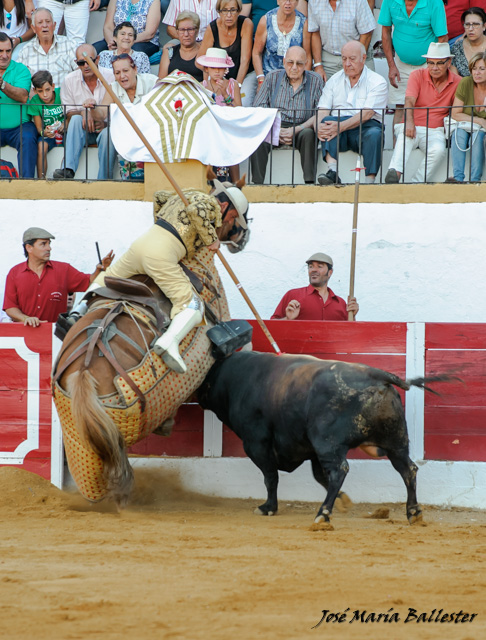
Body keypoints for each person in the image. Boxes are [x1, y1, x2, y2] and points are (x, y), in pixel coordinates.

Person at [71, 182, 249, 373]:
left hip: (141, 244)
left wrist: (163, 223)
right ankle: (169, 342)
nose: (229, 221)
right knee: (193, 306)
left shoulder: (188, 192)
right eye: (231, 216)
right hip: (161, 253)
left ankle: (78, 311)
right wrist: (211, 238)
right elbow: (197, 211)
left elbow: (160, 196)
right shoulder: (208, 202)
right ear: (224, 206)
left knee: (108, 276)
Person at [3, 226, 114, 326]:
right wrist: (26, 318)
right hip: (24, 335)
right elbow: (10, 307)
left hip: (56, 335)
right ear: (29, 248)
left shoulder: (64, 270)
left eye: (49, 244)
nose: (49, 248)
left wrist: (100, 270)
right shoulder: (15, 273)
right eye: (43, 244)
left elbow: (89, 282)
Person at [385, 42, 461, 184]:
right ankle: (394, 175)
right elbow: (409, 101)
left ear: (449, 62)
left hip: (436, 129)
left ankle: (416, 183)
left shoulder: (458, 81)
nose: (434, 67)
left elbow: (457, 109)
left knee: (438, 150)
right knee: (404, 139)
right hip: (412, 123)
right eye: (430, 63)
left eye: (439, 63)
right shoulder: (417, 75)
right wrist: (409, 122)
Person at [316, 40, 388, 185]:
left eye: (352, 59)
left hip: (365, 126)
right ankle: (332, 171)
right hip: (339, 130)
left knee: (375, 134)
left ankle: (369, 181)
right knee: (326, 121)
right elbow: (322, 110)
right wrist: (319, 127)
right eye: (344, 59)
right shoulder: (334, 80)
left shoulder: (377, 81)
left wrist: (339, 126)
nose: (347, 63)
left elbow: (367, 114)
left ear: (363, 58)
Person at [251, 45, 323, 184]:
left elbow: (321, 112)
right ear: (284, 62)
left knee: (309, 135)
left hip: (303, 127)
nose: (294, 67)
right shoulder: (272, 77)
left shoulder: (316, 80)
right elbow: (259, 108)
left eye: (299, 63)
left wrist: (297, 129)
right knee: (259, 138)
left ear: (306, 64)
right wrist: (277, 130)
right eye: (290, 62)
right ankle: (257, 184)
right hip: (275, 125)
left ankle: (309, 183)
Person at [378, 0, 448, 132]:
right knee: (400, 107)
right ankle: (397, 149)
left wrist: (433, 67)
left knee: (428, 108)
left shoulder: (434, 2)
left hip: (427, 64)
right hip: (400, 63)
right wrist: (391, 65)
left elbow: (442, 38)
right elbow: (385, 31)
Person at [52, 43, 115, 179]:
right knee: (75, 119)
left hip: (107, 129)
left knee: (108, 134)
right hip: (83, 129)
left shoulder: (111, 77)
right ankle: (67, 169)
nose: (86, 66)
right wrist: (83, 113)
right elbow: (68, 113)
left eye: (89, 62)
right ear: (76, 63)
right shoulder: (69, 80)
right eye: (81, 63)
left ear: (97, 59)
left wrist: (105, 124)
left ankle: (104, 180)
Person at [92, 52, 158, 179]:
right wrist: (93, 107)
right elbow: (101, 114)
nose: (122, 76)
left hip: (148, 132)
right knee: (106, 134)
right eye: (117, 73)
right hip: (124, 133)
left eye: (125, 70)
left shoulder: (152, 82)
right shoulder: (113, 87)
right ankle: (103, 181)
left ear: (135, 69)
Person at [271, 252, 359, 320]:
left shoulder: (341, 303)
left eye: (319, 266)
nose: (313, 270)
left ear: (330, 272)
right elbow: (270, 328)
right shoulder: (293, 295)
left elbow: (348, 334)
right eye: (311, 266)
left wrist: (352, 316)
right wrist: (287, 319)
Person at [197, 47, 241, 180]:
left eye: (220, 68)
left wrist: (226, 94)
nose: (217, 71)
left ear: (225, 69)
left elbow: (239, 110)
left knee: (231, 146)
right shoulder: (201, 86)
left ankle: (235, 184)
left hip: (227, 128)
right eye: (213, 67)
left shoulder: (233, 84)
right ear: (207, 69)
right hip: (209, 129)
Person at [197, 0, 253, 103]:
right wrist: (208, 82)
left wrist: (237, 87)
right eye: (224, 11)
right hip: (220, 75)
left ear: (239, 11)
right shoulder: (212, 27)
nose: (229, 15)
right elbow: (200, 61)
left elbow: (245, 60)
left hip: (245, 74)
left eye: (233, 10)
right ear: (219, 12)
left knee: (242, 101)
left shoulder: (246, 24)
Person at [307, 0, 376, 81]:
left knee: (363, 90)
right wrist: (318, 65)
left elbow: (366, 33)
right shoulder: (314, 2)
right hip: (328, 59)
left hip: (357, 56)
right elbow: (315, 33)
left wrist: (357, 62)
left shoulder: (358, 1)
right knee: (324, 91)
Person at [0, 32, 38, 178]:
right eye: (0, 51)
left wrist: (2, 84)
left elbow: (22, 96)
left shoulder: (21, 69)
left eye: (8, 51)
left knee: (28, 138)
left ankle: (26, 184)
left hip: (19, 127)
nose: (4, 55)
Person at [253, 0, 310, 92]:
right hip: (268, 78)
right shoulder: (266, 20)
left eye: (291, 0)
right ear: (278, 1)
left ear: (297, 2)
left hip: (295, 78)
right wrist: (261, 79)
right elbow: (256, 53)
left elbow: (307, 57)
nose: (288, 3)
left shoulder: (303, 23)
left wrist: (302, 83)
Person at [450, 52, 486, 182]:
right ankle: (458, 179)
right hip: (466, 124)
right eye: (474, 69)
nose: (477, 72)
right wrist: (479, 120)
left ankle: (475, 180)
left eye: (482, 69)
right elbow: (455, 113)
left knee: (477, 138)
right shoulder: (466, 82)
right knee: (457, 134)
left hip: (482, 130)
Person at [17, 8, 77, 86]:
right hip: (37, 97)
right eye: (40, 22)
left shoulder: (69, 44)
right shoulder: (25, 51)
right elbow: (19, 80)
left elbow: (80, 71)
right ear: (33, 28)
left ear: (54, 25)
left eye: (48, 22)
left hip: (65, 96)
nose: (44, 25)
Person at [28, 69, 64, 179]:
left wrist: (65, 123)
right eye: (40, 91)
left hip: (65, 130)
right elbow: (39, 128)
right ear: (34, 90)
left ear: (53, 86)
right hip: (50, 134)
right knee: (41, 145)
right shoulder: (34, 101)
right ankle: (41, 179)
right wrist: (45, 132)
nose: (44, 95)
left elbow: (71, 112)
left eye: (47, 90)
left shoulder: (61, 93)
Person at [94, 0, 161, 57]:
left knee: (131, 54)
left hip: (142, 42)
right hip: (116, 40)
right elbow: (108, 27)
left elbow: (149, 33)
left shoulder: (153, 1)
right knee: (93, 51)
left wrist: (125, 41)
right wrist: (111, 41)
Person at [158, 10, 203, 81]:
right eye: (182, 30)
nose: (186, 34)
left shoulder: (204, 52)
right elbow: (161, 81)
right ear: (177, 32)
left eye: (190, 29)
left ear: (197, 31)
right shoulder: (169, 52)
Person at [451, 7, 486, 76]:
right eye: (467, 24)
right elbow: (454, 78)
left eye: (475, 24)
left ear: (484, 26)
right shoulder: (457, 48)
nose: (470, 29)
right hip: (462, 86)